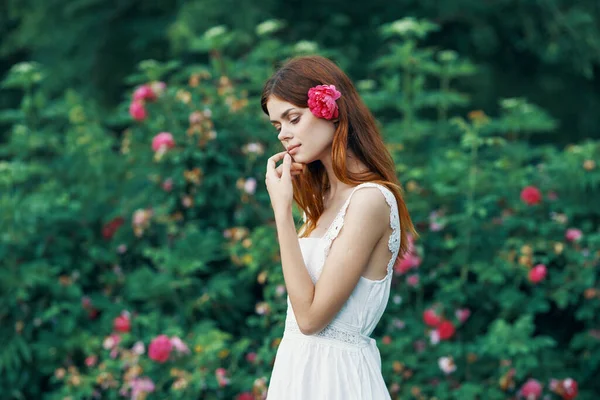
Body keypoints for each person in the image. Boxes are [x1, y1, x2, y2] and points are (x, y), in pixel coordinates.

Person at [262, 55, 416, 399]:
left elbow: (311, 319)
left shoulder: (370, 201)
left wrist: (281, 210)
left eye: (293, 118)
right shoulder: (319, 203)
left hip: (337, 380)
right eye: (277, 126)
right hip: (295, 373)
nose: (284, 135)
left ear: (331, 110)